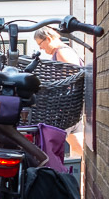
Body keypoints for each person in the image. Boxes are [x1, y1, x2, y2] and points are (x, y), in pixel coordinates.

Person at [32, 25, 85, 158]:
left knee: (51, 148)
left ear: (48, 38)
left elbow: (74, 76)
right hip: (70, 108)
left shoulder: (62, 52)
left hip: (66, 108)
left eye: (40, 44)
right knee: (78, 147)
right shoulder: (60, 52)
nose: (40, 48)